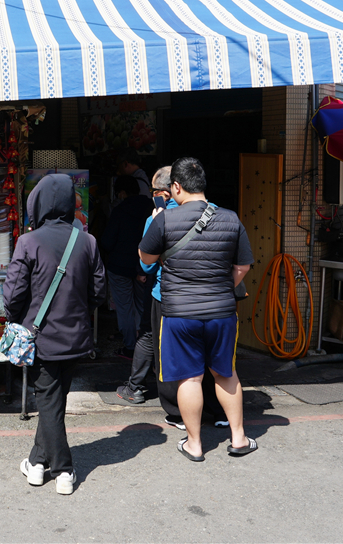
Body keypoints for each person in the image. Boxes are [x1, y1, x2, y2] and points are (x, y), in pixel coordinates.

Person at [138, 157, 258, 462]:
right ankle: (240, 438)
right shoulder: (231, 218)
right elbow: (243, 265)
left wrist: (155, 223)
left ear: (176, 187)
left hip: (179, 313)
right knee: (226, 374)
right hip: (221, 312)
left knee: (189, 378)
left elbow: (146, 259)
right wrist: (223, 286)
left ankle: (194, 444)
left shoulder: (164, 219)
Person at [4, 174, 107, 495]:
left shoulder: (28, 241)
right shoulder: (86, 241)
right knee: (53, 402)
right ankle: (36, 464)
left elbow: (12, 296)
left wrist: (17, 318)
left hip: (40, 339)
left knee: (49, 402)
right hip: (76, 337)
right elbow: (99, 292)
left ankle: (63, 469)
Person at [116, 167, 227, 428]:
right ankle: (219, 412)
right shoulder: (222, 215)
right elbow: (239, 264)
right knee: (211, 356)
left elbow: (146, 265)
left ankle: (178, 412)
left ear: (170, 191)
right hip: (215, 298)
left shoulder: (160, 219)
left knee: (173, 356)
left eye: (155, 192)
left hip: (169, 297)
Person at [99, 175, 155, 358]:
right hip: (144, 265)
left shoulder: (119, 210)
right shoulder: (152, 208)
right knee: (142, 306)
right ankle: (145, 348)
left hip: (120, 266)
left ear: (122, 192)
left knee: (124, 308)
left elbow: (107, 241)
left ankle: (130, 347)